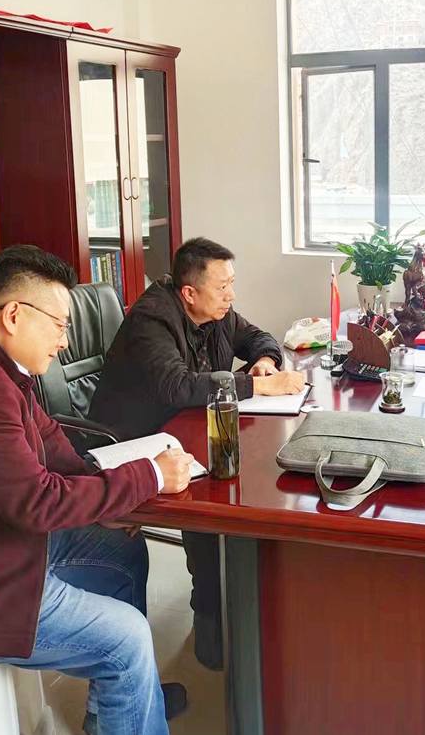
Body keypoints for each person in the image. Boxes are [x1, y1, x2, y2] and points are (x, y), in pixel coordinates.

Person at [0, 245, 197, 735]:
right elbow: (38, 503)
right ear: (14, 315)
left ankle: (116, 709)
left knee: (119, 552)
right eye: (59, 324)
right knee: (127, 640)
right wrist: (149, 477)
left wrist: (106, 501)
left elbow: (50, 441)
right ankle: (128, 686)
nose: (64, 340)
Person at [90, 237, 306, 671]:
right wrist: (258, 386)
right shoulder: (152, 319)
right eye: (222, 287)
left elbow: (257, 336)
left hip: (186, 431)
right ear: (189, 292)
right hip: (138, 441)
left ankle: (248, 614)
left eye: (232, 284)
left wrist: (265, 360)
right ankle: (212, 622)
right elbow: (177, 386)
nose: (231, 295)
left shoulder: (218, 314)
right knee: (213, 509)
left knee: (249, 479)